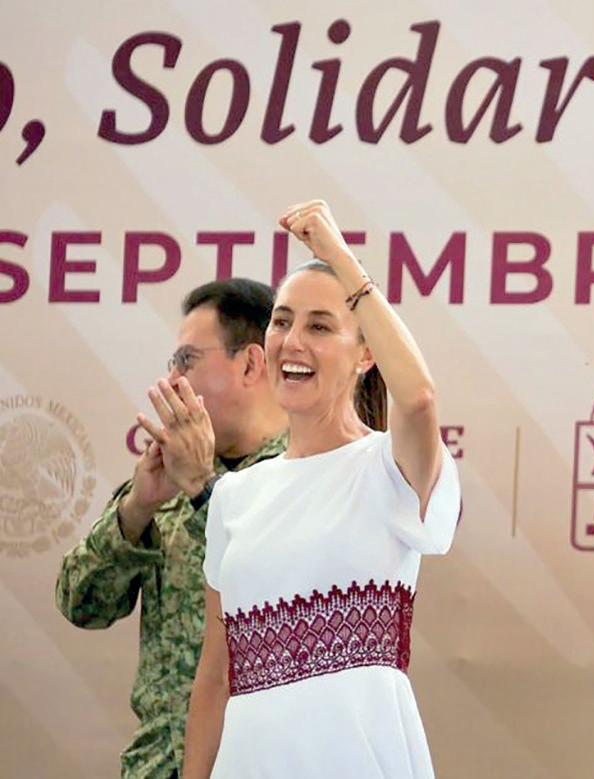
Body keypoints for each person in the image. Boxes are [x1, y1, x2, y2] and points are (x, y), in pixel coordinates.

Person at [183, 200, 461, 779]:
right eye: (282, 321)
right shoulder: (235, 497)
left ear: (366, 354)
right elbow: (215, 679)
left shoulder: (388, 466)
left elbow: (418, 398)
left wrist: (337, 254)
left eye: (319, 326)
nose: (292, 341)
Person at [56, 279, 289, 778]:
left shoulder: (304, 473)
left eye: (187, 361)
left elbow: (272, 586)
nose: (173, 381)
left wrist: (204, 487)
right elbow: (81, 603)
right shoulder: (168, 477)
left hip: (266, 762)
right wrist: (137, 508)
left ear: (251, 364)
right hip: (161, 764)